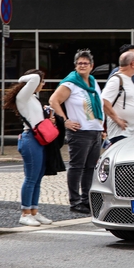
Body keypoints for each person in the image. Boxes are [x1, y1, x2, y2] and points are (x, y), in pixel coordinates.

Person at [49, 49, 104, 215]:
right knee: (77, 167)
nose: (82, 65)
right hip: (80, 132)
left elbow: (99, 106)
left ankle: (86, 200)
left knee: (90, 168)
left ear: (91, 66)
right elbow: (54, 100)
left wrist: (102, 129)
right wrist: (65, 121)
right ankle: (75, 201)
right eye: (79, 63)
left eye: (85, 63)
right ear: (75, 65)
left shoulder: (93, 82)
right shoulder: (70, 83)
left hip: (95, 131)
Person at [2, 69, 55, 227]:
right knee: (31, 178)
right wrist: (23, 78)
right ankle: (25, 213)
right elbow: (34, 77)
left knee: (37, 177)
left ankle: (34, 211)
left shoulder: (32, 97)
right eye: (42, 81)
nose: (42, 83)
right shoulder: (23, 96)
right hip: (30, 139)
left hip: (38, 138)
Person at [101, 51, 134, 144]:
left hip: (131, 134)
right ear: (133, 63)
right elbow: (103, 101)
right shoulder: (116, 80)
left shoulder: (127, 79)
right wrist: (117, 119)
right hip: (122, 134)